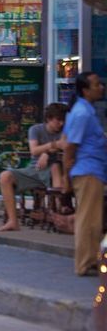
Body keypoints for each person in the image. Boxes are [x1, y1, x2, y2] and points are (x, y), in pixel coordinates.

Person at [0, 103, 68, 232]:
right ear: (49, 119)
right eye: (58, 120)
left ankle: (60, 215)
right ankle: (13, 221)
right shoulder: (36, 129)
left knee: (56, 167)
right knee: (5, 176)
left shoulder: (66, 131)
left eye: (63, 120)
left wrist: (46, 153)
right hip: (34, 169)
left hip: (55, 169)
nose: (61, 123)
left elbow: (65, 147)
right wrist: (52, 146)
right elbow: (34, 150)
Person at [63, 72, 107, 277]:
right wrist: (66, 176)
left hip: (94, 170)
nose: (101, 87)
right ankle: (84, 263)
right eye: (97, 85)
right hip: (87, 170)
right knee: (87, 220)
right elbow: (70, 146)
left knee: (93, 220)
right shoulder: (82, 113)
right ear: (85, 90)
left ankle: (90, 259)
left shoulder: (87, 111)